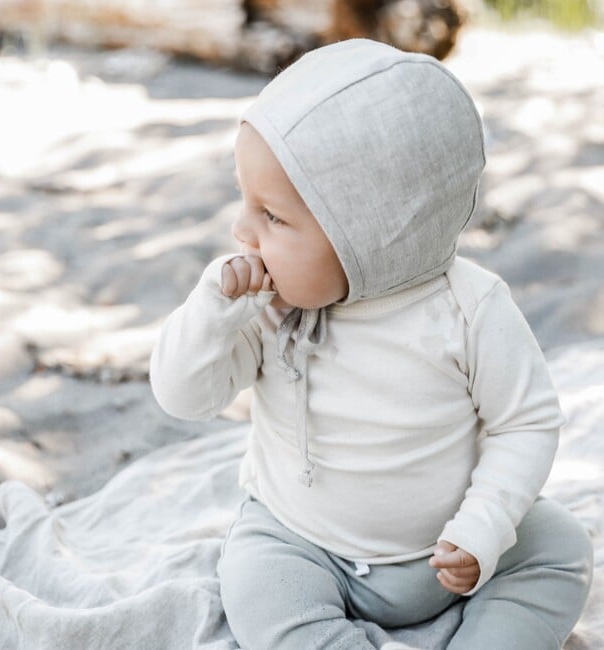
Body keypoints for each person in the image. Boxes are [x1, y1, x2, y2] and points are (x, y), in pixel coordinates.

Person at [149, 39, 593, 649]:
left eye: (272, 217)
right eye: (244, 202)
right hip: (306, 545)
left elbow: (527, 423)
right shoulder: (262, 306)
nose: (241, 230)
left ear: (370, 234)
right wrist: (211, 313)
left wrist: (483, 528)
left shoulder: (470, 309)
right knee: (253, 579)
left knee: (560, 549)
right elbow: (183, 397)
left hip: (452, 553)